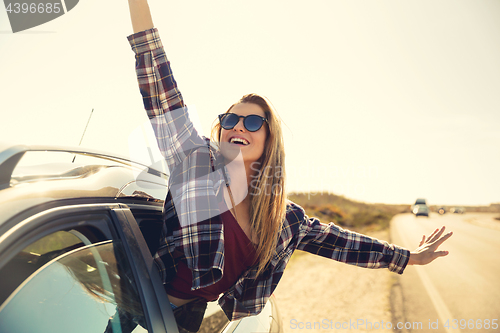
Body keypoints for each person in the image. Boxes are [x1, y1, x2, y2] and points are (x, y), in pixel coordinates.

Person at [126, 1, 453, 332]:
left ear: (270, 140)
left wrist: (408, 257)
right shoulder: (195, 162)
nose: (238, 126)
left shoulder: (283, 219)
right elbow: (159, 86)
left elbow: (341, 243)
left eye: (253, 122)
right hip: (138, 309)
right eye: (231, 119)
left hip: (188, 321)